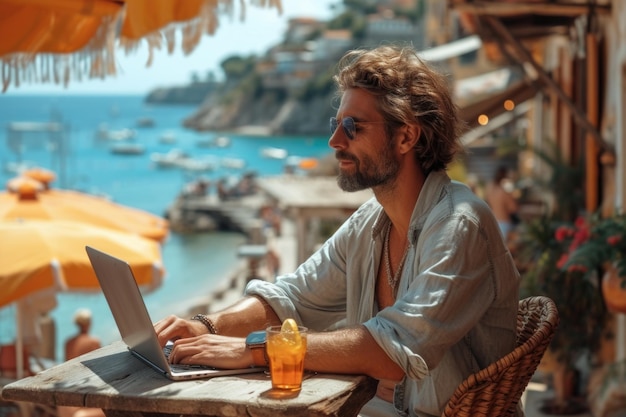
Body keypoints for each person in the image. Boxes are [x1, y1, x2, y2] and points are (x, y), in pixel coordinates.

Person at [154, 45, 521, 417]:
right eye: (336, 125)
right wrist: (205, 326)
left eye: (352, 127)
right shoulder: (370, 223)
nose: (335, 141)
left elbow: (393, 352)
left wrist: (257, 348)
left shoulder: (459, 224)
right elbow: (290, 300)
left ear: (406, 137)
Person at [58, 309, 104, 417]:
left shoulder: (68, 342)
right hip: (88, 386)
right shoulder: (93, 342)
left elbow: (66, 366)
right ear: (89, 323)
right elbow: (101, 367)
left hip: (70, 385)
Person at [485, 165, 519, 241]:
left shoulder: (490, 188)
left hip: (493, 221)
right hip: (504, 222)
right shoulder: (504, 191)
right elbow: (513, 208)